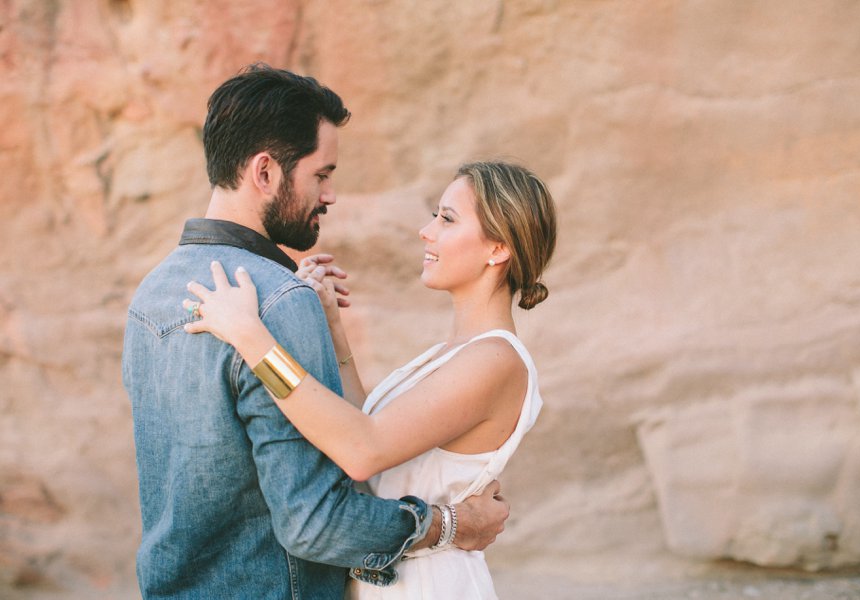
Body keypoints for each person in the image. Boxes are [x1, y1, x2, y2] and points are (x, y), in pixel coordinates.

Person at [121, 64, 509, 600]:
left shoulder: (152, 294)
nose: (329, 195)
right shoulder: (279, 301)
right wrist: (451, 524)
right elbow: (316, 524)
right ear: (265, 173)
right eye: (321, 175)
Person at [182, 159, 557, 599]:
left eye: (447, 219)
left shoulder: (495, 359)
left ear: (498, 249)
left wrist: (251, 338)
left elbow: (362, 451)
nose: (426, 230)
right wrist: (332, 328)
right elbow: (365, 431)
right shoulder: (456, 353)